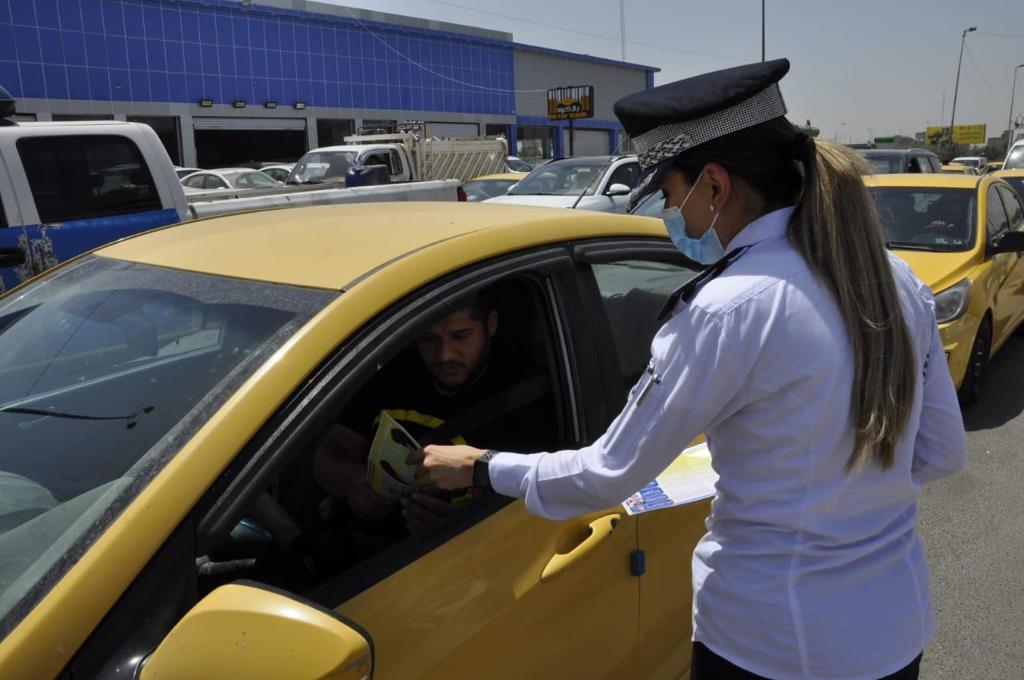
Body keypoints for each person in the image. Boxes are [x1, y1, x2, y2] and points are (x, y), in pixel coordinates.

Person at [416, 59, 965, 680]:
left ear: (714, 186)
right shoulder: (893, 276)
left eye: (671, 195)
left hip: (773, 647)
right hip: (893, 632)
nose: (671, 214)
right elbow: (942, 452)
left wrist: (482, 466)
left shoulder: (728, 310)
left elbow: (606, 474)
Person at [314, 289, 555, 539]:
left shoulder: (526, 401)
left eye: (460, 336)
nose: (444, 355)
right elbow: (331, 451)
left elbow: (544, 497)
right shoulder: (393, 376)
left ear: (491, 325)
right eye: (429, 339)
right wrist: (354, 483)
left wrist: (465, 527)